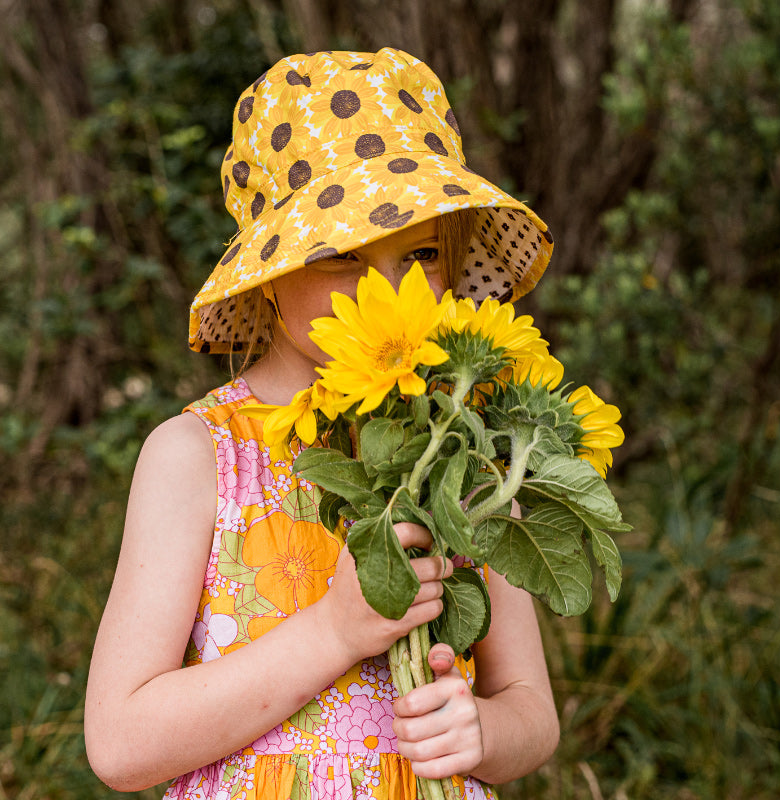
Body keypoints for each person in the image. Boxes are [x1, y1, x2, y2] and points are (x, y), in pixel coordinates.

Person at [85, 47, 560, 799]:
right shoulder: (198, 457)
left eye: (424, 251)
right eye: (340, 255)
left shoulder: (464, 448)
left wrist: (482, 733)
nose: (387, 286)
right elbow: (119, 743)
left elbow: (532, 710)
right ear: (269, 271)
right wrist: (334, 632)